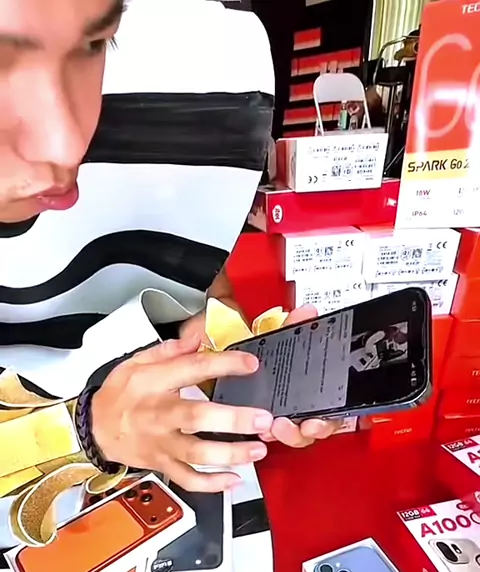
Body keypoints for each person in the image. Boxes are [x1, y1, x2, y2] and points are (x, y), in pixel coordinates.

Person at [0, 0, 339, 514]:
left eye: (95, 44)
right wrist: (83, 429)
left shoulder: (148, 144)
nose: (68, 147)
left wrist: (233, 366)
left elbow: (196, 299)